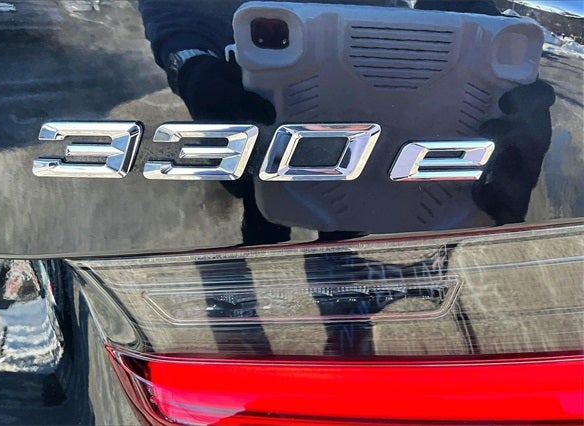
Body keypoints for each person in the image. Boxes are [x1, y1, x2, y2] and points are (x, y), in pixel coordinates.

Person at [137, 0, 555, 355]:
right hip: (245, 80)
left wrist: (486, 38)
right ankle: (237, 329)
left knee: (342, 221)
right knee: (251, 219)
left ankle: (346, 327)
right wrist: (192, 64)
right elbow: (174, 12)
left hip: (375, 78)